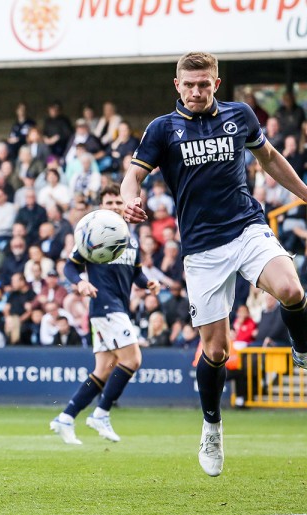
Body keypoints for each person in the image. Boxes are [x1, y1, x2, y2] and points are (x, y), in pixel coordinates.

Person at [122, 52, 307, 477]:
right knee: (216, 351)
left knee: (291, 289)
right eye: (189, 84)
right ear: (177, 85)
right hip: (202, 250)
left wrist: (304, 193)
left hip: (246, 228)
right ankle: (212, 427)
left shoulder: (240, 116)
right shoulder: (162, 128)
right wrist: (130, 199)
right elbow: (133, 175)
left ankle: (302, 348)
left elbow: (269, 158)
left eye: (204, 83)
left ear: (216, 84)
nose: (196, 91)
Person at [50, 184, 160, 445]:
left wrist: (147, 283)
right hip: (105, 306)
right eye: (109, 203)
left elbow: (136, 273)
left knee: (103, 370)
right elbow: (69, 267)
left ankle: (66, 417)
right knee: (133, 359)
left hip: (117, 308)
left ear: (125, 205)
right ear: (101, 206)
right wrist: (80, 283)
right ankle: (101, 413)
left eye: (118, 202)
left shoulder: (129, 237)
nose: (114, 206)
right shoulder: (92, 233)